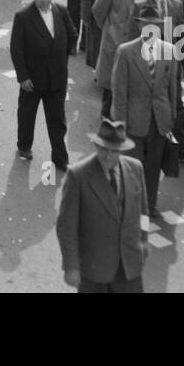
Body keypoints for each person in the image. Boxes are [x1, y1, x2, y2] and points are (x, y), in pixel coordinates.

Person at [55, 119, 149, 293]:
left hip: (129, 267)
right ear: (96, 146)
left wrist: (143, 243)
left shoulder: (136, 169)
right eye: (104, 149)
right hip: (94, 270)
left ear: (121, 150)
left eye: (114, 151)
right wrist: (71, 266)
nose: (108, 156)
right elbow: (66, 226)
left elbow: (143, 213)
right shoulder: (78, 176)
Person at [111, 23, 182, 214]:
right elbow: (119, 91)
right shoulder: (126, 52)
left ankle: (149, 205)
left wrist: (172, 116)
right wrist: (119, 123)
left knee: (153, 166)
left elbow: (173, 88)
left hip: (159, 120)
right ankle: (129, 206)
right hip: (134, 121)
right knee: (133, 167)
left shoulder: (169, 51)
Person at [11, 0, 71, 170]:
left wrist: (61, 59)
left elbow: (71, 34)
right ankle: (24, 146)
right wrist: (23, 77)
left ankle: (60, 158)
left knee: (57, 121)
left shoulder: (61, 11)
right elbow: (16, 49)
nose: (44, 0)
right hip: (32, 80)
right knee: (27, 115)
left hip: (56, 79)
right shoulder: (23, 16)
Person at [92, 0, 153, 117]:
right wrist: (110, 30)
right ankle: (106, 120)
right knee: (111, 87)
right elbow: (98, 12)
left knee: (131, 85)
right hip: (114, 43)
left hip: (136, 44)